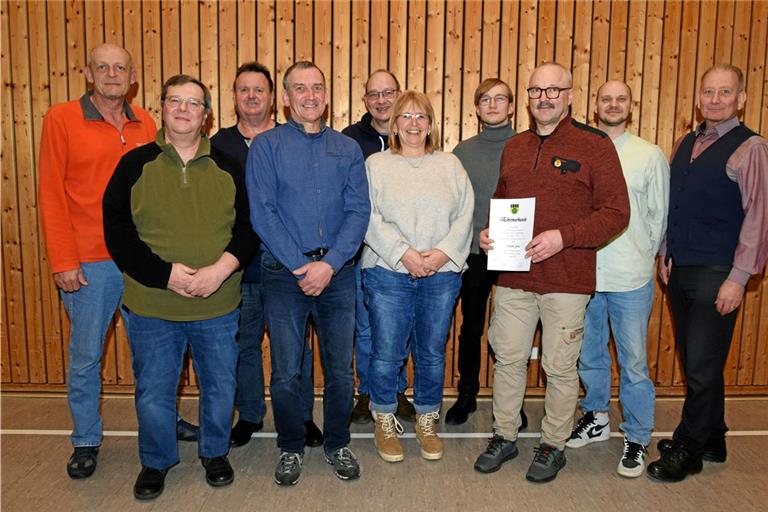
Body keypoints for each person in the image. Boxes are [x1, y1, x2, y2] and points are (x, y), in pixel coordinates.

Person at [37, 43, 196, 481]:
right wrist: (63, 260)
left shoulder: (146, 121)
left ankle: (164, 420)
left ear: (133, 75)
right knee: (87, 355)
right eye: (102, 67)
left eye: (120, 67)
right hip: (90, 262)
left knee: (159, 353)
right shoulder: (61, 119)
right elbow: (50, 193)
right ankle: (85, 439)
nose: (111, 74)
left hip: (143, 259)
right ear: (88, 73)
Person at [473, 62, 629, 483]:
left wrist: (565, 236)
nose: (544, 97)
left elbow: (617, 213)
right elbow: (503, 199)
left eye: (553, 90)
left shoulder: (594, 146)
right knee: (507, 359)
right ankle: (504, 435)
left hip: (567, 279)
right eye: (536, 90)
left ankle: (552, 445)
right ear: (527, 98)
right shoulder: (516, 146)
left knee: (560, 368)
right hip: (514, 277)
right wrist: (491, 231)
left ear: (570, 96)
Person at [103, 74, 257, 499]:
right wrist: (165, 274)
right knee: (154, 389)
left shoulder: (230, 166)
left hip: (217, 302)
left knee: (220, 385)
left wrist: (219, 271)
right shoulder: (133, 165)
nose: (184, 109)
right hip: (153, 303)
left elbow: (248, 229)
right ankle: (156, 461)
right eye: (176, 101)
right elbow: (117, 231)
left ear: (206, 116)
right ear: (163, 107)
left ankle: (214, 452)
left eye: (194, 103)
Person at [247, 61, 370, 486]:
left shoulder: (348, 149)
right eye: (300, 88)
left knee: (339, 370)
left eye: (317, 87)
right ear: (286, 98)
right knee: (285, 371)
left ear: (326, 95)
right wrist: (303, 266)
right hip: (284, 273)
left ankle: (337, 443)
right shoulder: (265, 147)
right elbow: (262, 214)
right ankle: (291, 447)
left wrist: (329, 264)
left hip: (338, 273)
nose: (310, 95)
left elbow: (359, 212)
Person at [648, 64, 768, 483]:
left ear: (741, 98)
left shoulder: (751, 147)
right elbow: (673, 204)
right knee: (699, 360)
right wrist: (666, 250)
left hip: (718, 271)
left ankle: (690, 448)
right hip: (682, 266)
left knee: (700, 364)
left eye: (725, 92)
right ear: (699, 98)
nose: (715, 99)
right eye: (709, 92)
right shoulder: (687, 141)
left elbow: (758, 217)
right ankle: (713, 436)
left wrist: (739, 277)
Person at [210, 62, 322, 449]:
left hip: (287, 265)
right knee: (244, 344)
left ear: (275, 97)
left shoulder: (291, 140)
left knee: (295, 349)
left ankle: (302, 417)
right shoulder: (216, 145)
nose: (252, 96)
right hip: (236, 268)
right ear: (235, 97)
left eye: (260, 90)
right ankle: (252, 413)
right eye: (244, 90)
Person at [566, 80, 669, 478]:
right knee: (589, 355)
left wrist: (648, 257)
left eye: (620, 99)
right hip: (586, 273)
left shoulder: (649, 155)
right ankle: (596, 417)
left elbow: (659, 216)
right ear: (595, 105)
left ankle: (638, 435)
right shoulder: (582, 152)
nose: (613, 104)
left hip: (630, 277)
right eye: (606, 98)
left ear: (631, 106)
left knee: (634, 362)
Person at [363, 90, 473, 463]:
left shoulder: (450, 165)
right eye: (405, 117)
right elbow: (368, 215)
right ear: (394, 124)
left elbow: (465, 216)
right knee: (387, 351)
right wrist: (404, 254)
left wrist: (441, 254)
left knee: (430, 351)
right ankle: (385, 417)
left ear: (430, 125)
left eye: (420, 117)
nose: (413, 123)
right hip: (387, 272)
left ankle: (427, 418)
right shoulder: (376, 165)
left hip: (440, 274)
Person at [447, 78, 527, 429]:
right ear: (477, 108)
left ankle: (512, 400)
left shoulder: (528, 147)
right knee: (472, 327)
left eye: (500, 99)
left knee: (517, 330)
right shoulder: (462, 153)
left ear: (511, 106)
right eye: (485, 100)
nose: (493, 105)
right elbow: (451, 208)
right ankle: (467, 392)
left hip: (518, 253)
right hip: (475, 253)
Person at [342, 69, 416, 424]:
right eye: (374, 94)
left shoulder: (415, 139)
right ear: (365, 100)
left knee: (396, 327)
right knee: (367, 328)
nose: (382, 100)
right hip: (360, 254)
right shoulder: (348, 140)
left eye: (389, 93)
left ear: (399, 94)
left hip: (403, 255)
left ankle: (396, 390)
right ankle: (368, 390)